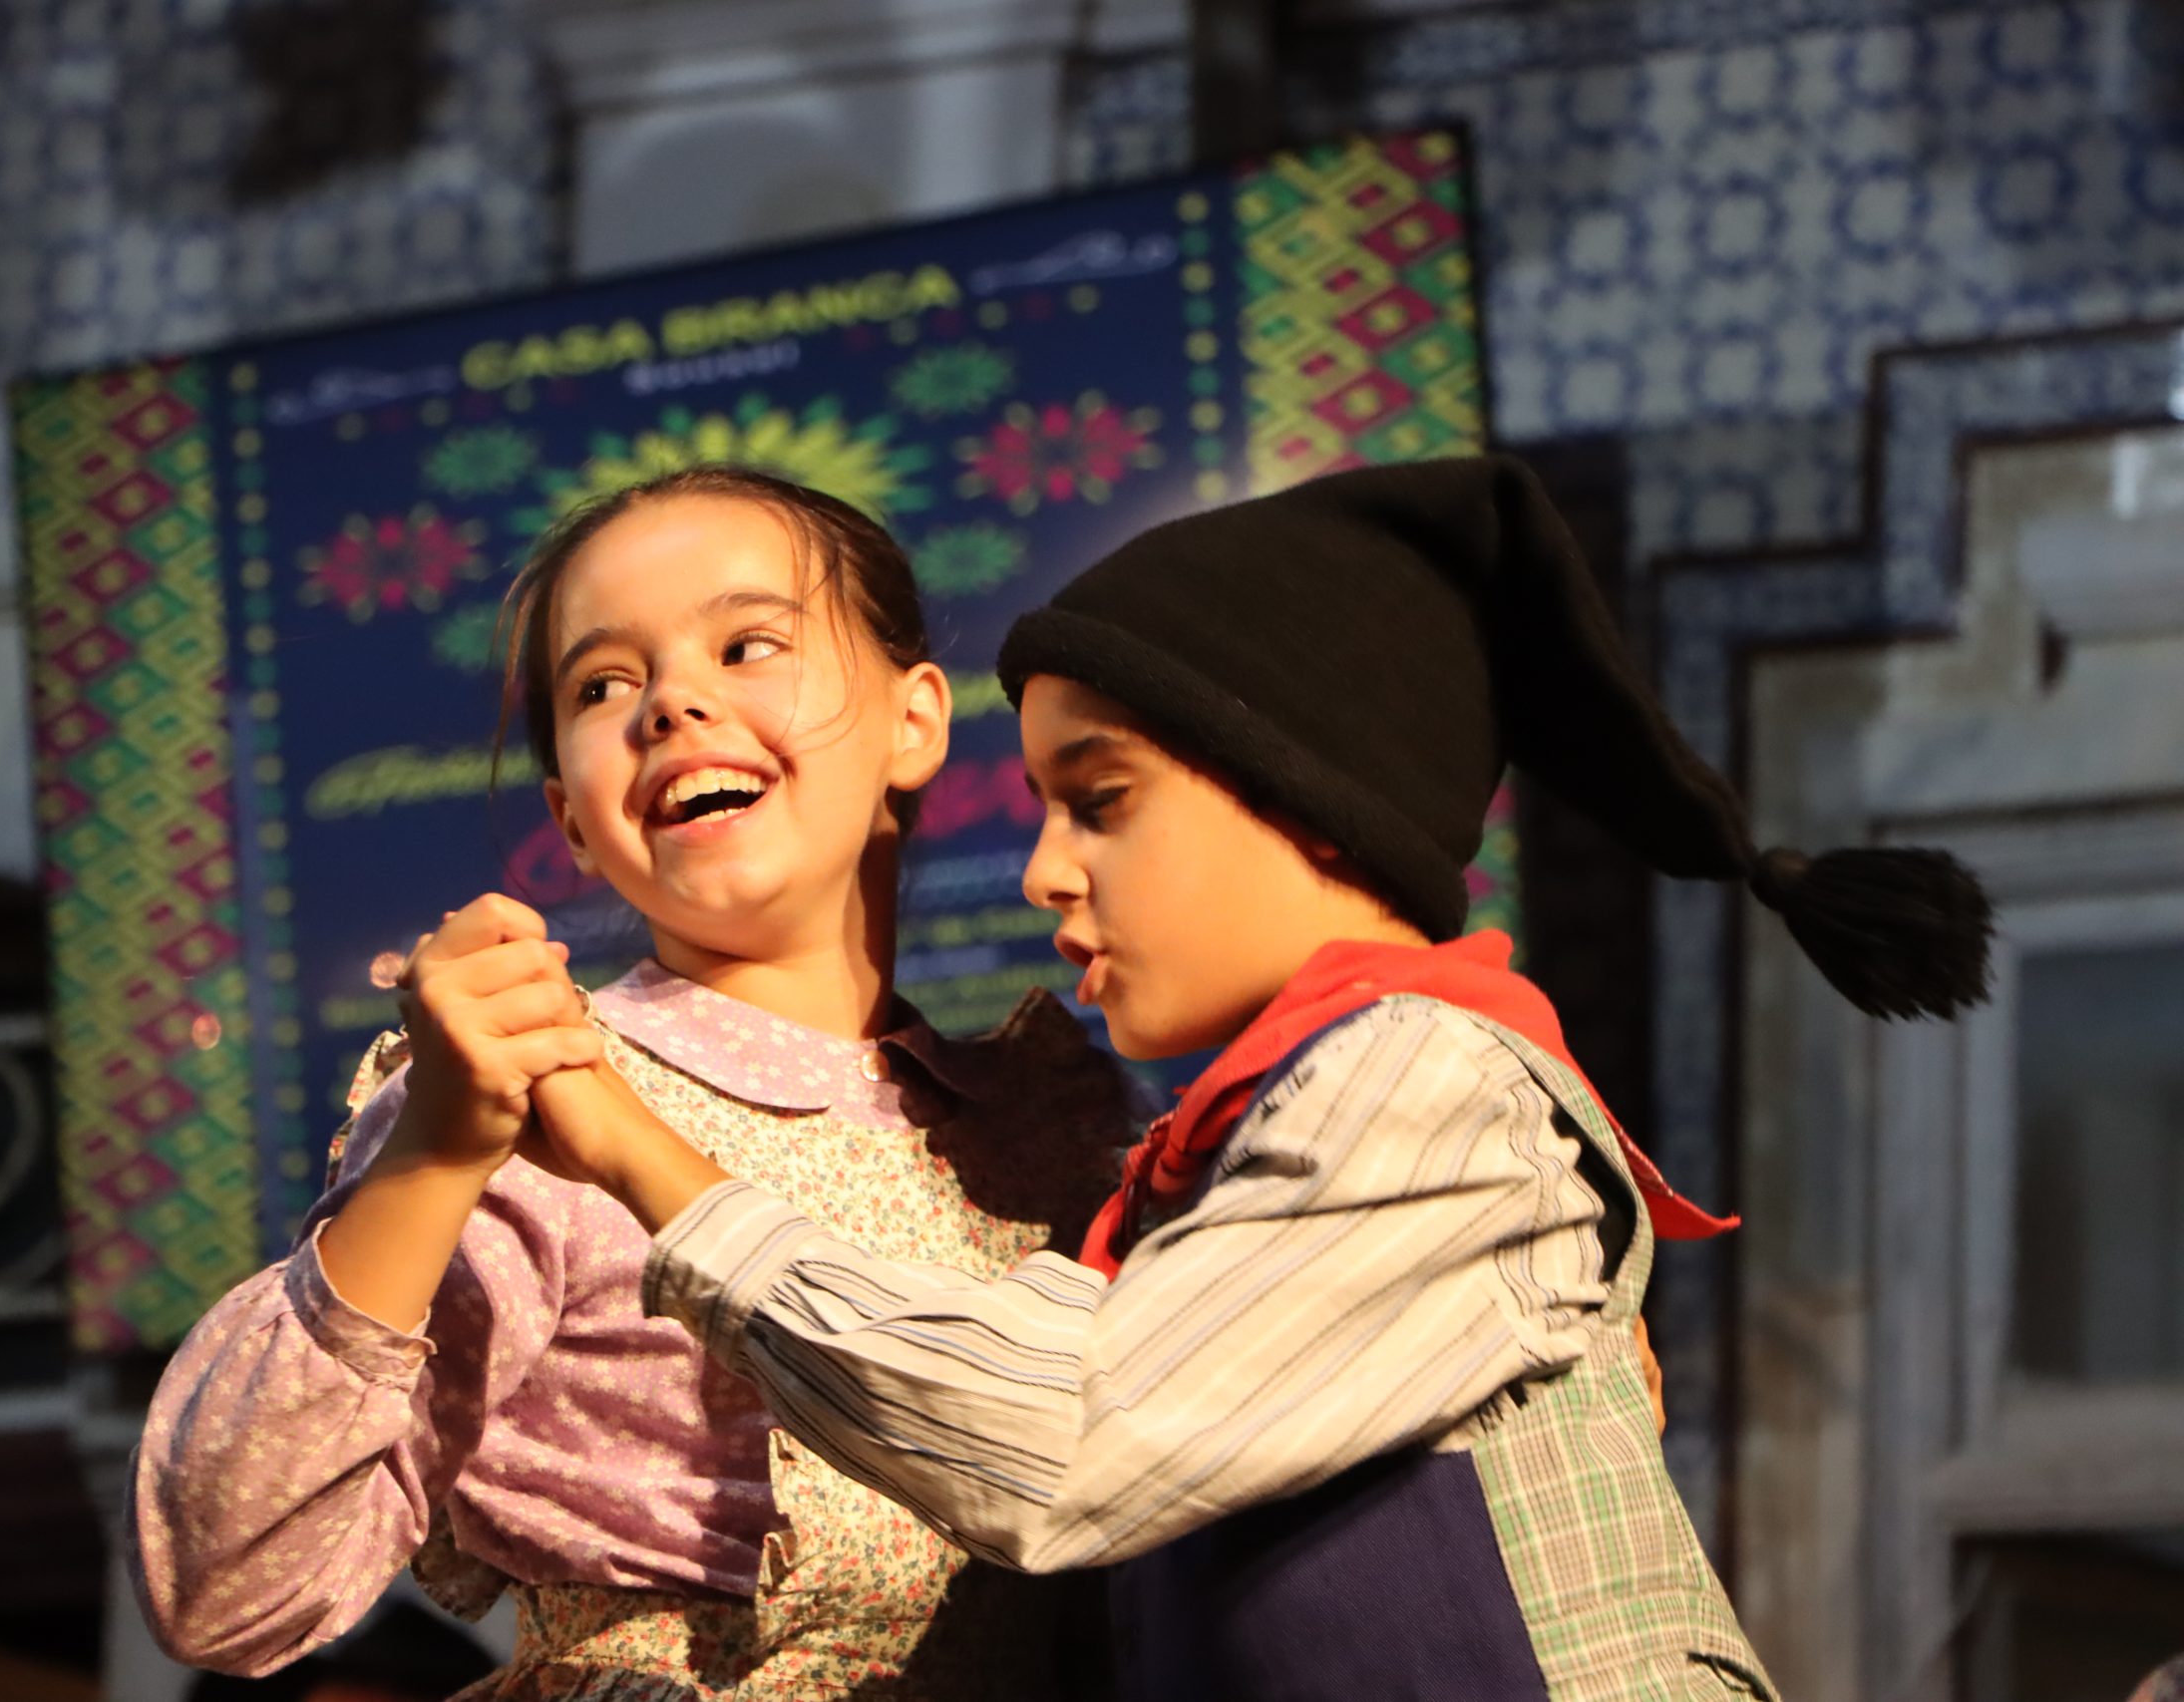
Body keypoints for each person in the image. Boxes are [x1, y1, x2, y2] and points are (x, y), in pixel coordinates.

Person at [507, 455, 1997, 1700]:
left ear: (1307, 800)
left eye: (1101, 802)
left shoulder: (1427, 1081)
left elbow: (1066, 1430)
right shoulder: (1230, 1148)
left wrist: (645, 1160)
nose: (1042, 872)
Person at [130, 468, 1134, 1699]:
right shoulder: (527, 1097)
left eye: (747, 644)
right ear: (571, 818)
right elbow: (222, 1589)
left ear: (913, 720)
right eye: (602, 686)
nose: (670, 703)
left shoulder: (1049, 1123)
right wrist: (437, 1152)